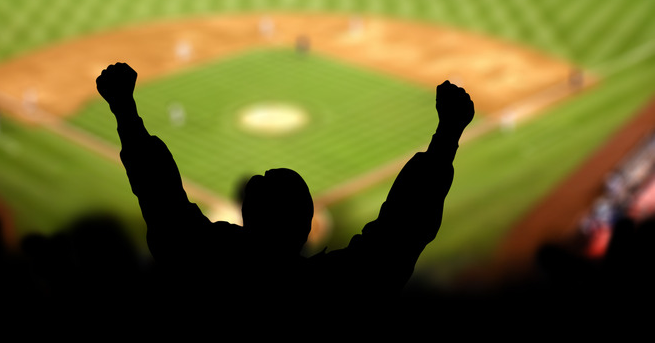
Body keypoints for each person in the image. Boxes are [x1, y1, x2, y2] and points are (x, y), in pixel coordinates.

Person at [96, 62, 474, 319]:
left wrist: (124, 109)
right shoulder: (334, 291)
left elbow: (163, 202)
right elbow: (399, 236)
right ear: (307, 226)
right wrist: (447, 135)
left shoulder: (205, 266)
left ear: (244, 217)